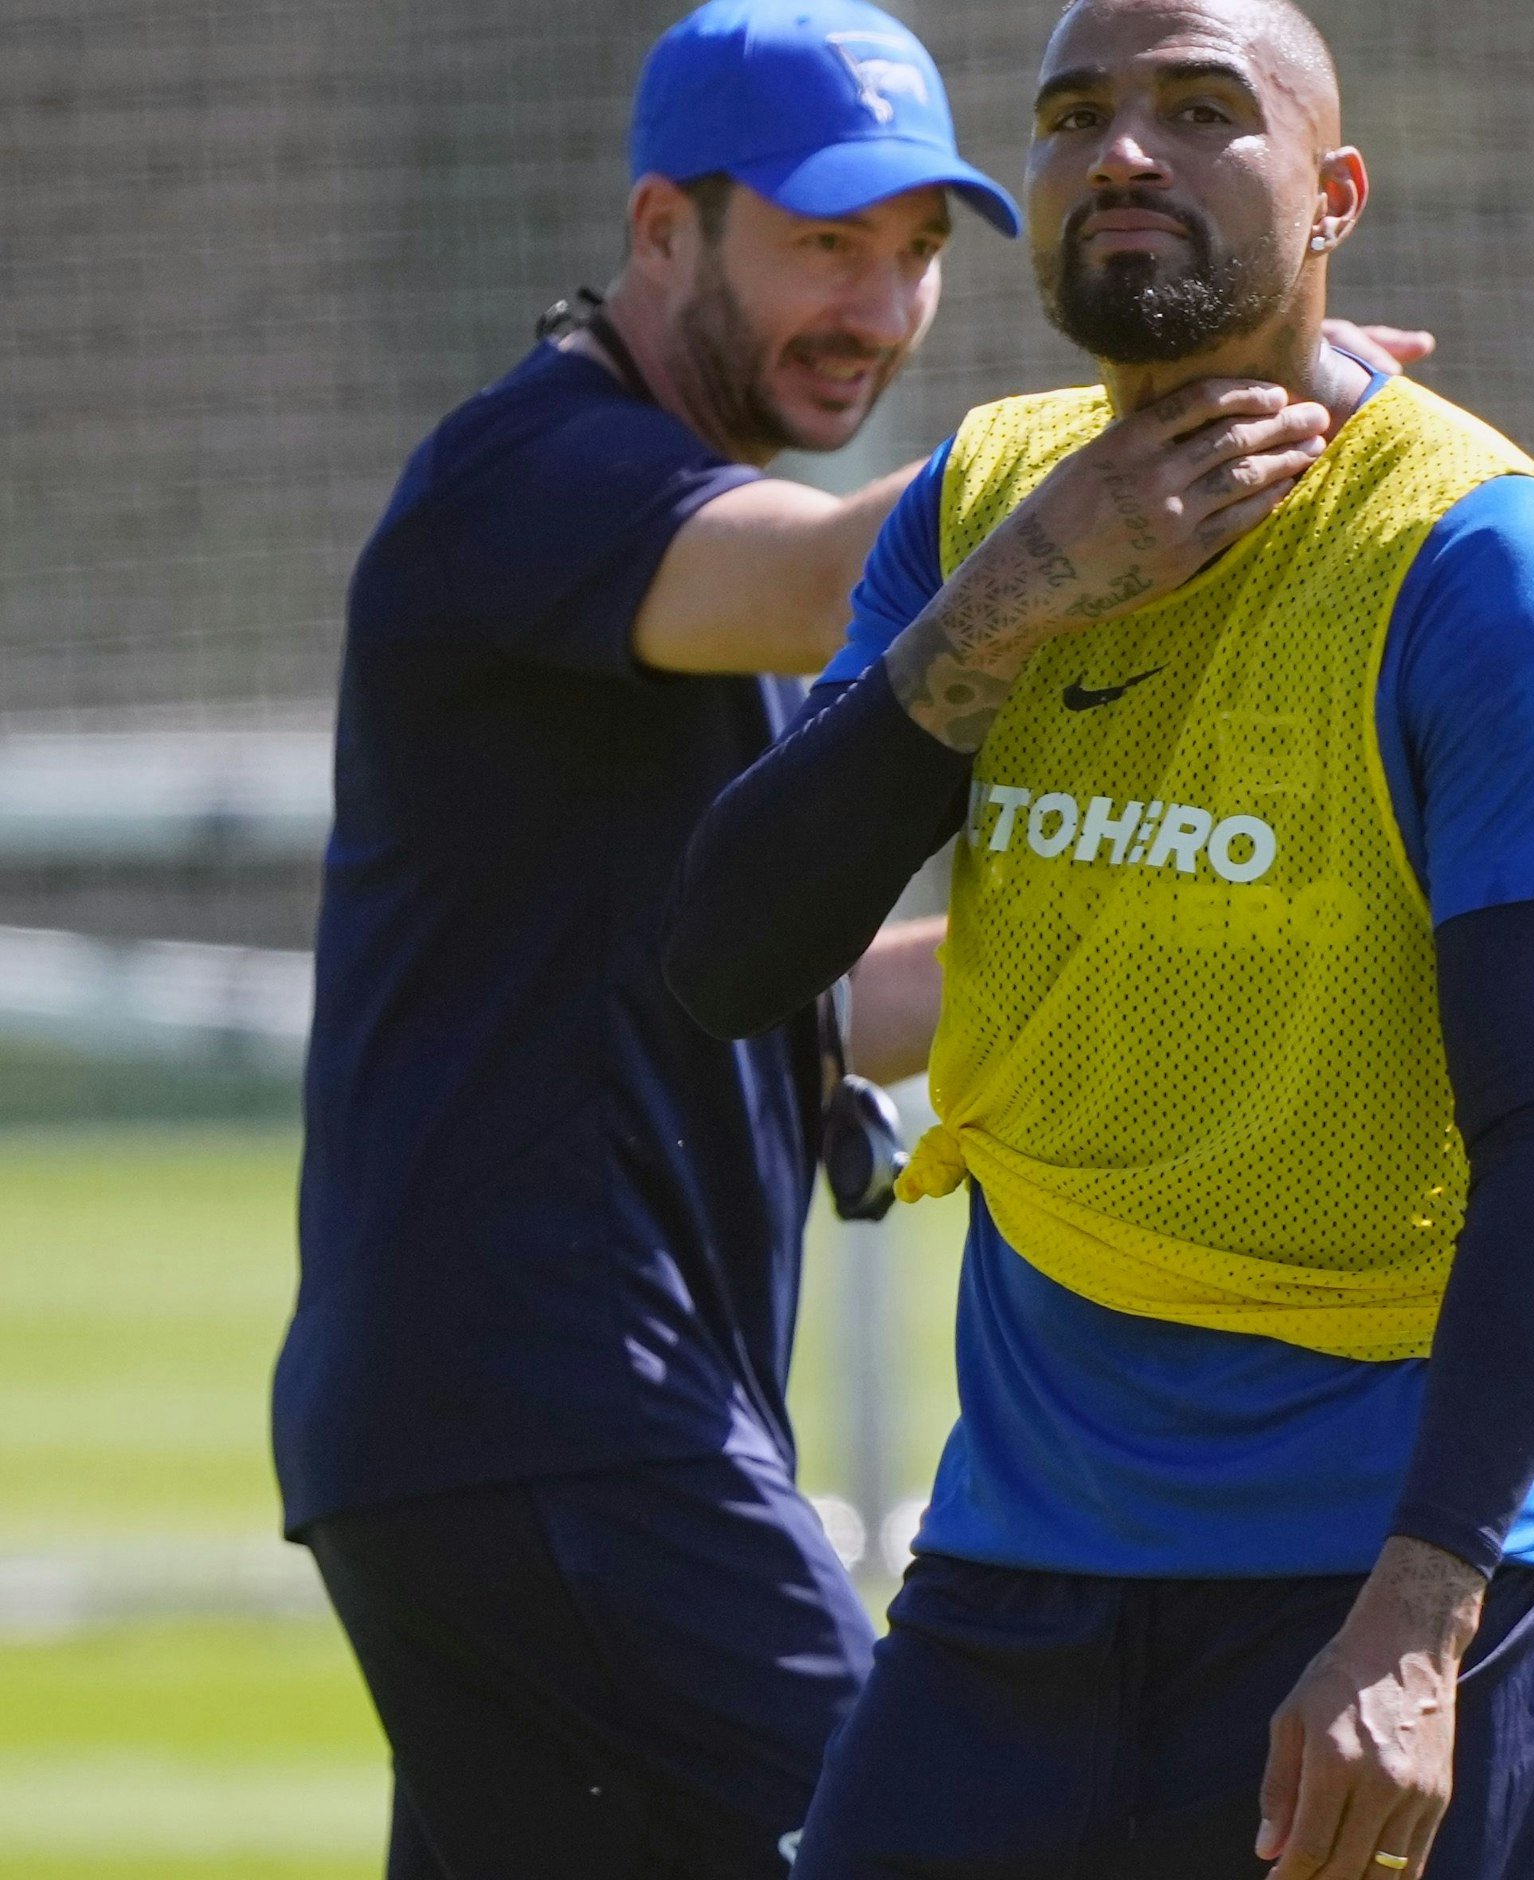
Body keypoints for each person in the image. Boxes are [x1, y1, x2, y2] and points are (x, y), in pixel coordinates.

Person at [664, 1, 1534, 1875]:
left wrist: (1418, 1624)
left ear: (1334, 195)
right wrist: (1024, 594)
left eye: (1203, 112)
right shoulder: (983, 503)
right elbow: (728, 956)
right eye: (1073, 117)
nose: (1121, 152)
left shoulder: (1485, 562)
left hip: (1374, 1595)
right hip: (1020, 1573)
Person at [269, 4, 1017, 1875]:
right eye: (826, 241)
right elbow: (852, 576)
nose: (881, 304)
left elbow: (788, 1004)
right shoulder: (530, 479)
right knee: (905, 1844)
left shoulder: (676, 571)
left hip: (515, 1432)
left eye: (919, 251)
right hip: (558, 1411)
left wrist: (1213, 947)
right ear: (662, 226)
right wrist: (1185, 436)